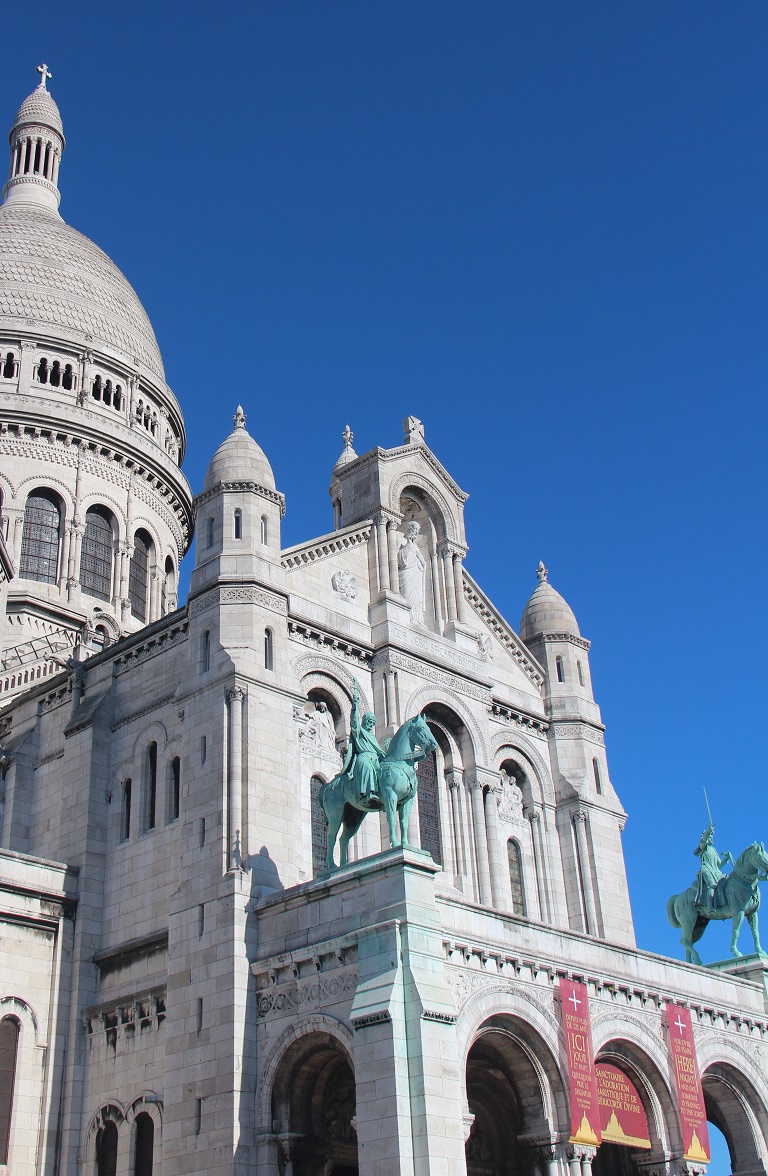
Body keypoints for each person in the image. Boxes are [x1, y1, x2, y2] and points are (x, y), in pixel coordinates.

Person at [342, 682, 385, 802]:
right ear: (364, 721)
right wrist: (355, 706)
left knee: (384, 772)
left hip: (374, 759)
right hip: (363, 758)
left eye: (372, 723)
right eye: (369, 721)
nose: (370, 724)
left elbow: (378, 750)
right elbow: (354, 721)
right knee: (368, 768)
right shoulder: (359, 731)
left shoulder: (372, 736)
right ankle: (368, 793)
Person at [693, 824, 733, 912]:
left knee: (726, 880)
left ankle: (722, 901)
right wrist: (709, 830)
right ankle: (710, 906)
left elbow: (719, 865)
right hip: (706, 870)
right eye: (710, 837)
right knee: (712, 884)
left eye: (712, 837)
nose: (711, 838)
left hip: (715, 872)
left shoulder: (713, 850)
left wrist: (726, 859)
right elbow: (704, 840)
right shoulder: (703, 847)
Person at [398, 520, 426, 625]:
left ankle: (416, 618)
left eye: (418, 531)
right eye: (415, 530)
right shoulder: (401, 543)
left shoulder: (415, 546)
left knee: (416, 597)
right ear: (409, 530)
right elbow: (398, 560)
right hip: (406, 573)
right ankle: (409, 616)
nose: (416, 533)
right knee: (407, 595)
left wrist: (421, 567)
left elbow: (423, 562)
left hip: (415, 574)